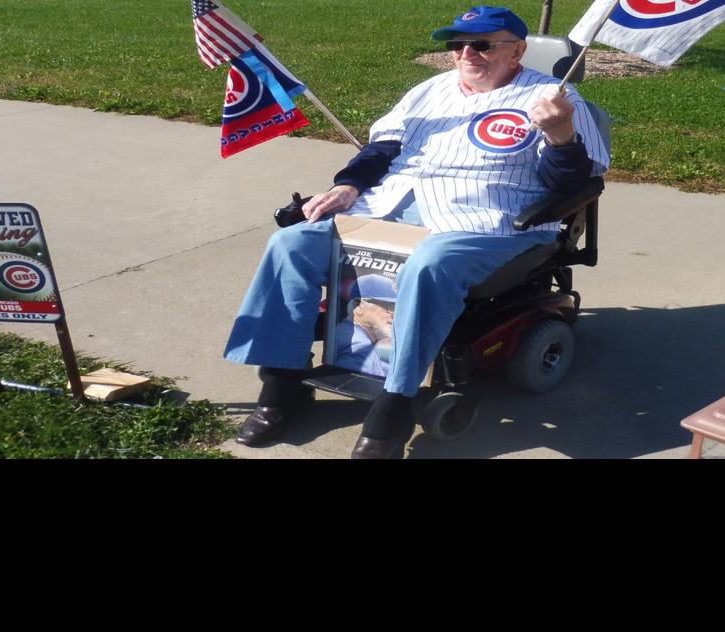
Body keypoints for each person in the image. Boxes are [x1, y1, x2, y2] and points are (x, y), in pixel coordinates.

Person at [222, 5, 609, 458]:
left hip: (489, 220)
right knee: (290, 244)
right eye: (458, 44)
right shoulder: (428, 92)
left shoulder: (555, 100)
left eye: (483, 44)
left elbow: (576, 184)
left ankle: (395, 402)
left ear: (518, 50)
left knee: (427, 264)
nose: (468, 53)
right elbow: (381, 149)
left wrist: (561, 136)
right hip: (393, 207)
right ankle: (281, 382)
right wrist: (348, 185)